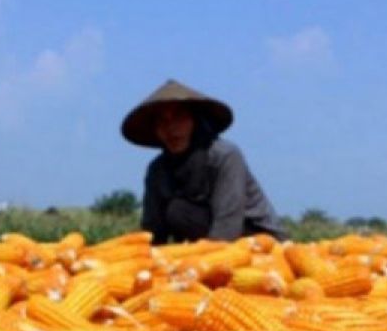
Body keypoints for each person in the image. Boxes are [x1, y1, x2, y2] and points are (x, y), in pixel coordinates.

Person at [121, 79, 285, 244]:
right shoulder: (158, 170)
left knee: (178, 211)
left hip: (254, 237)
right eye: (162, 121)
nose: (171, 128)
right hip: (203, 238)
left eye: (179, 117)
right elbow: (153, 229)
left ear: (196, 121)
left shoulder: (224, 156)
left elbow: (227, 223)